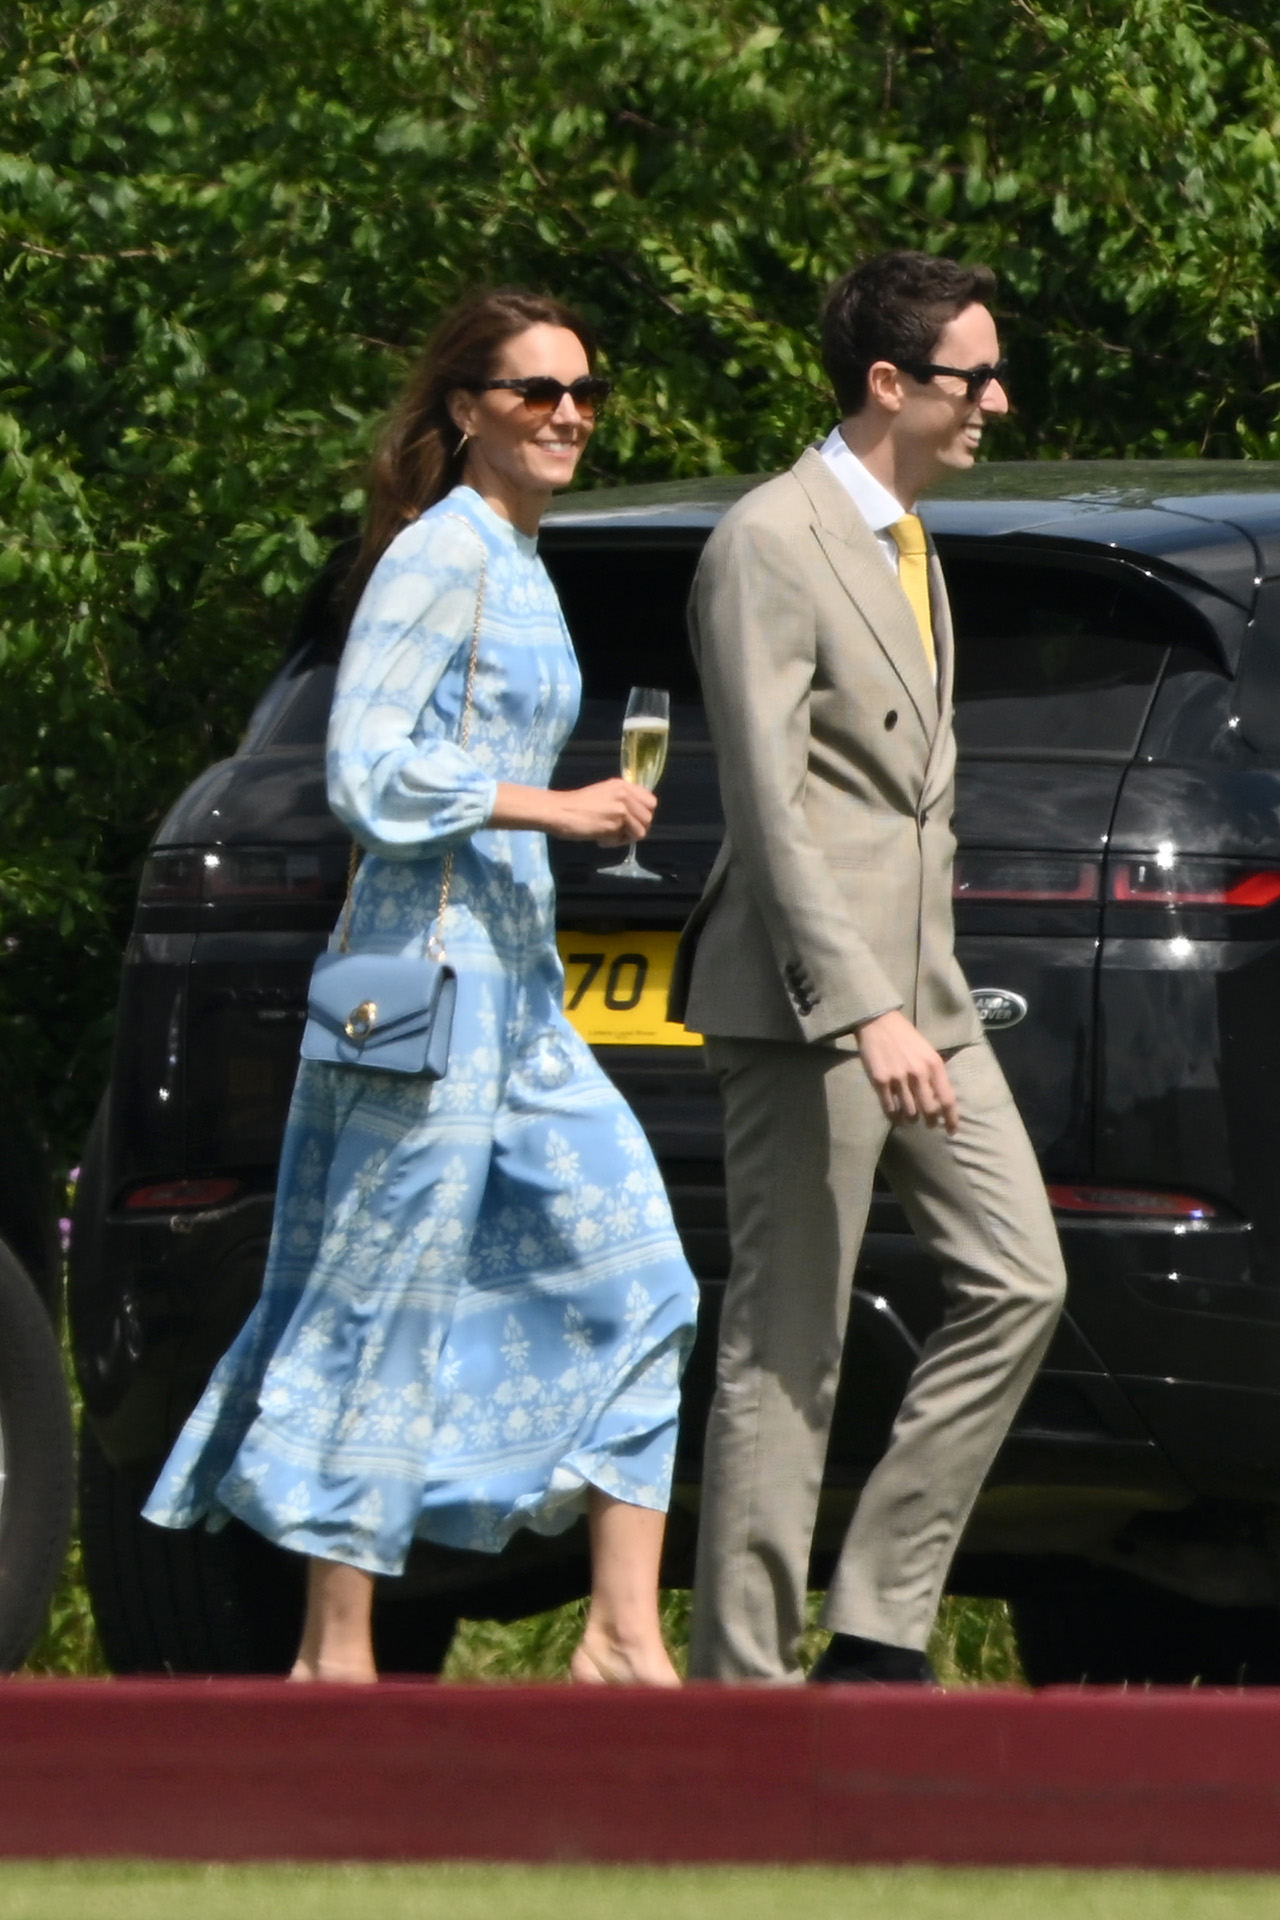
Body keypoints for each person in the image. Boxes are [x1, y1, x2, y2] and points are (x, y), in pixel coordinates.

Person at [145, 289, 699, 1687]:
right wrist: (549, 808)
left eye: (584, 391)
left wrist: (578, 823)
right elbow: (365, 770)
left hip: (517, 993)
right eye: (535, 392)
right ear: (465, 412)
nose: (568, 413)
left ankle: (624, 1636)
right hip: (417, 978)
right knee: (381, 1291)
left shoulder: (520, 558)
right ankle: (336, 1652)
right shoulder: (434, 558)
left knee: (646, 1274)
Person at [669, 252, 1067, 1684]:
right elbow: (770, 815)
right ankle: (744, 1694)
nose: (997, 402)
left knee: (1021, 1280)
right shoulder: (770, 542)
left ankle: (881, 1632)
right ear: (889, 385)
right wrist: (865, 1010)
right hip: (811, 1008)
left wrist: (918, 1003)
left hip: (927, 1000)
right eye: (974, 376)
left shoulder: (910, 535)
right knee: (790, 1351)